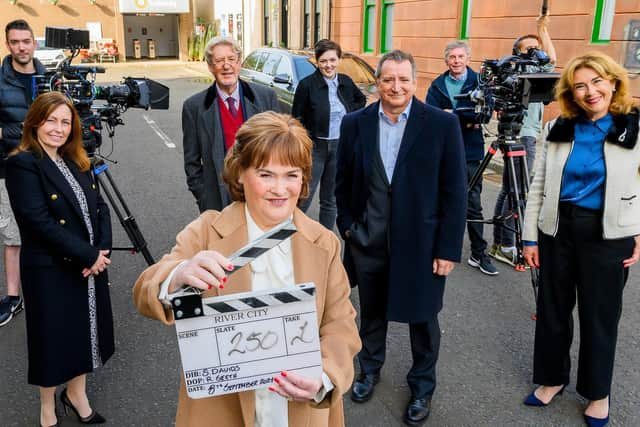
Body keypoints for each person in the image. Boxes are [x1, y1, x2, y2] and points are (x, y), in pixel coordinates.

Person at [134, 111, 360, 427]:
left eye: (291, 175)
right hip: (221, 410)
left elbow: (340, 323)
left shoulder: (324, 243)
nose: (280, 189)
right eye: (266, 174)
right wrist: (177, 276)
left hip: (297, 408)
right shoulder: (208, 231)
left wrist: (325, 375)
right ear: (240, 173)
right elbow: (146, 291)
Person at [335, 50, 467, 425]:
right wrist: (349, 227)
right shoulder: (355, 123)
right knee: (372, 314)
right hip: (368, 241)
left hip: (422, 248)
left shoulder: (441, 125)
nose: (396, 87)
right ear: (377, 82)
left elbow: (454, 193)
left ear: (415, 81)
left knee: (423, 321)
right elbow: (342, 184)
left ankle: (422, 388)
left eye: (403, 79)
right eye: (388, 79)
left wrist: (447, 249)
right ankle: (369, 370)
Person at [522, 51, 640, 427]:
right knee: (553, 310)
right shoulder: (559, 128)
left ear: (614, 82)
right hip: (557, 230)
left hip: (608, 236)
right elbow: (538, 184)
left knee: (599, 317)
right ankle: (552, 378)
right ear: (571, 93)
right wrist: (529, 238)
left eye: (597, 82)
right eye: (580, 86)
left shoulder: (633, 129)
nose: (590, 92)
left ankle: (598, 393)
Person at [6, 92, 114, 427]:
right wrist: (89, 254)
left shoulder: (76, 159)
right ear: (35, 121)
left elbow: (100, 208)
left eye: (65, 122)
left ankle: (77, 395)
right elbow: (37, 221)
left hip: (87, 263)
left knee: (83, 333)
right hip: (50, 267)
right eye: (51, 120)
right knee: (51, 339)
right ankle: (47, 406)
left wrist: (102, 250)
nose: (58, 128)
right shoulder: (22, 162)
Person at [182, 36, 280, 213]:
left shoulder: (265, 97)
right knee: (223, 240)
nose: (226, 66)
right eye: (219, 61)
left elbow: (278, 148)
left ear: (239, 63)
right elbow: (192, 161)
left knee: (262, 240)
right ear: (211, 66)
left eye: (231, 59)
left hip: (261, 191)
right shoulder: (194, 107)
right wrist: (203, 196)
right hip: (218, 196)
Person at [426, 40, 497, 276]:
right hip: (442, 152)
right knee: (439, 202)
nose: (456, 61)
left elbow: (485, 115)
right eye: (452, 57)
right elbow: (432, 118)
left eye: (460, 57)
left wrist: (453, 115)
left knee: (473, 205)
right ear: (446, 60)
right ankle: (435, 248)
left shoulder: (480, 82)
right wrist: (465, 118)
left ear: (468, 58)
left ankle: (479, 253)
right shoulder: (437, 86)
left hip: (471, 153)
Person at [490, 13, 557, 267]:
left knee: (509, 189)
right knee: (518, 191)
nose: (535, 52)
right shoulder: (517, 71)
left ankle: (500, 243)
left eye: (537, 48)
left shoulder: (538, 71)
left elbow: (550, 61)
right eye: (529, 48)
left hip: (525, 133)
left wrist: (543, 30)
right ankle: (507, 243)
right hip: (520, 135)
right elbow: (550, 60)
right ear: (517, 53)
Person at [0, 19, 46, 327]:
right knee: (13, 235)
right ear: (8, 45)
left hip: (47, 164)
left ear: (34, 43)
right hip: (10, 166)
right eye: (15, 42)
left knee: (53, 227)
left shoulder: (49, 76)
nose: (21, 47)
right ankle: (14, 296)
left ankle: (50, 284)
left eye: (26, 41)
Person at [292, 39, 366, 230]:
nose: (328, 65)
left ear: (339, 60)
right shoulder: (307, 85)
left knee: (330, 199)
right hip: (315, 147)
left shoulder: (346, 82)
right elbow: (296, 118)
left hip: (339, 146)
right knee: (304, 195)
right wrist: (303, 142)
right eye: (323, 61)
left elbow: (361, 99)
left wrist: (350, 112)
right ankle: (290, 235)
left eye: (332, 60)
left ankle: (323, 238)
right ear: (317, 62)